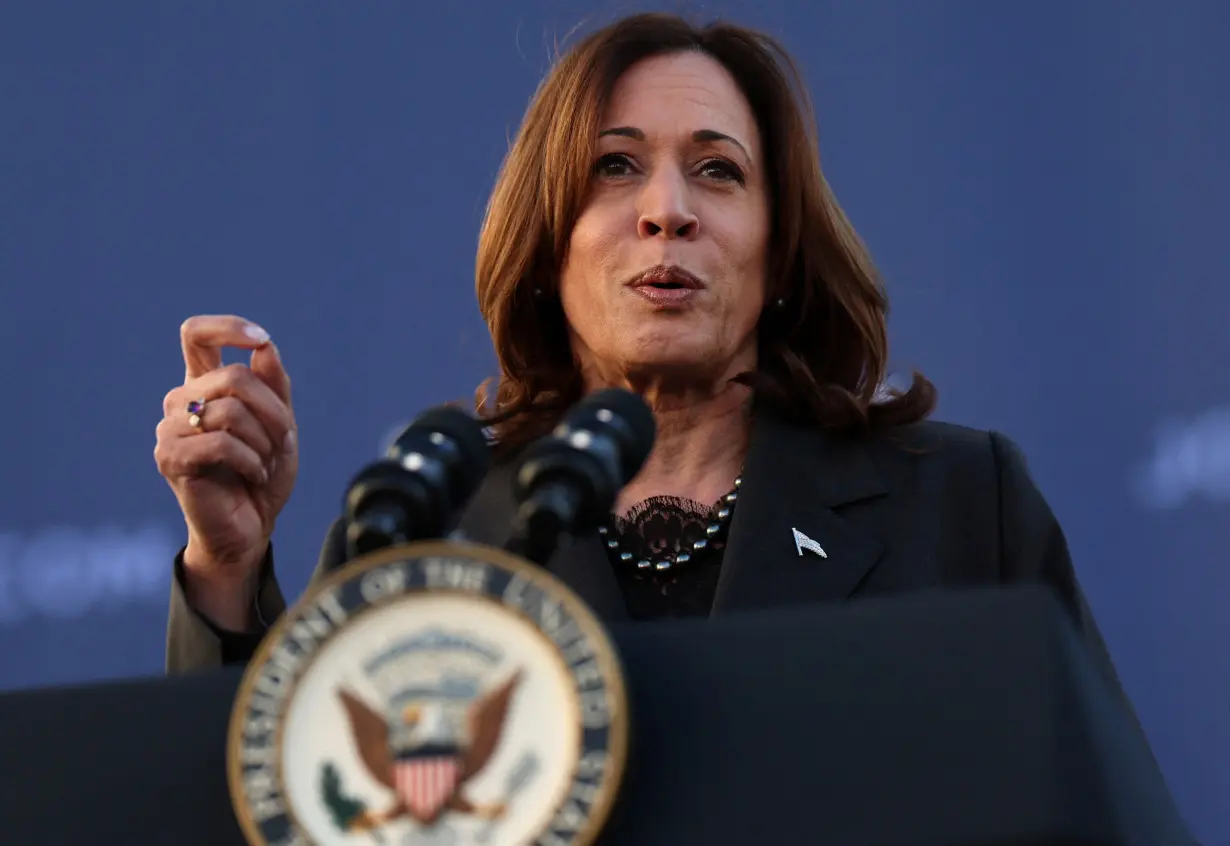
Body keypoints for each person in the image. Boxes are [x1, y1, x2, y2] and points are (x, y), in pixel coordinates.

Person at [157, 13, 1121, 686]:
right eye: (615, 167)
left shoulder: (958, 506)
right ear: (547, 246)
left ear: (779, 252)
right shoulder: (420, 537)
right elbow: (272, 804)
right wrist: (228, 568)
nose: (668, 211)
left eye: (718, 171)